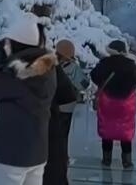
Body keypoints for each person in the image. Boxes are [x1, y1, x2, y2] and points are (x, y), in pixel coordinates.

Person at [0, 14, 59, 185]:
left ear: (15, 44)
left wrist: (0, 55)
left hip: (12, 155)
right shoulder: (48, 68)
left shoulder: (19, 74)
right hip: (38, 152)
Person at [90, 40, 136, 169]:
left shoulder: (104, 63)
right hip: (126, 103)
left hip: (107, 101)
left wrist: (104, 85)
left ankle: (106, 159)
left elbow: (94, 75)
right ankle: (127, 160)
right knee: (126, 130)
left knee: (107, 128)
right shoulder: (131, 65)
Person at [43, 40, 86, 185]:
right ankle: (63, 157)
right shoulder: (73, 67)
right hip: (68, 107)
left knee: (54, 138)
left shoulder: (48, 65)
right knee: (63, 136)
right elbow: (84, 84)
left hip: (53, 108)